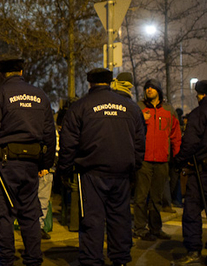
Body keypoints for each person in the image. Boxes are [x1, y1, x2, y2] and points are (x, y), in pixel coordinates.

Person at [0, 58, 56, 266]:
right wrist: (46, 163)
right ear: (21, 71)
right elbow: (49, 133)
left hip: (5, 164)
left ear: (2, 74)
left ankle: (5, 259)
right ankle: (33, 259)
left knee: (3, 214)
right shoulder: (40, 95)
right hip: (31, 164)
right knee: (30, 214)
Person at [58, 68, 146, 266]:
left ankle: (91, 259)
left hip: (91, 173)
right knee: (120, 218)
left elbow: (68, 142)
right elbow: (140, 142)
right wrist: (135, 166)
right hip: (121, 172)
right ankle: (121, 258)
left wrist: (65, 169)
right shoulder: (130, 107)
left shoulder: (80, 107)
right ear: (110, 82)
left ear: (90, 83)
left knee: (91, 220)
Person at [170, 80, 207, 266]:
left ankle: (194, 251)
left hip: (201, 172)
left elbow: (190, 144)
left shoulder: (199, 114)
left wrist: (177, 162)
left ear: (202, 95)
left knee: (192, 212)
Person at [134, 79, 181, 241]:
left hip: (162, 160)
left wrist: (177, 157)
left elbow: (176, 136)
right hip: (144, 160)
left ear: (159, 90)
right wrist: (141, 118)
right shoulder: (138, 108)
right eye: (147, 87)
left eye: (152, 88)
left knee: (156, 197)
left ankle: (155, 228)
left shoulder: (169, 110)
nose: (149, 90)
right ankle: (140, 228)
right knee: (140, 196)